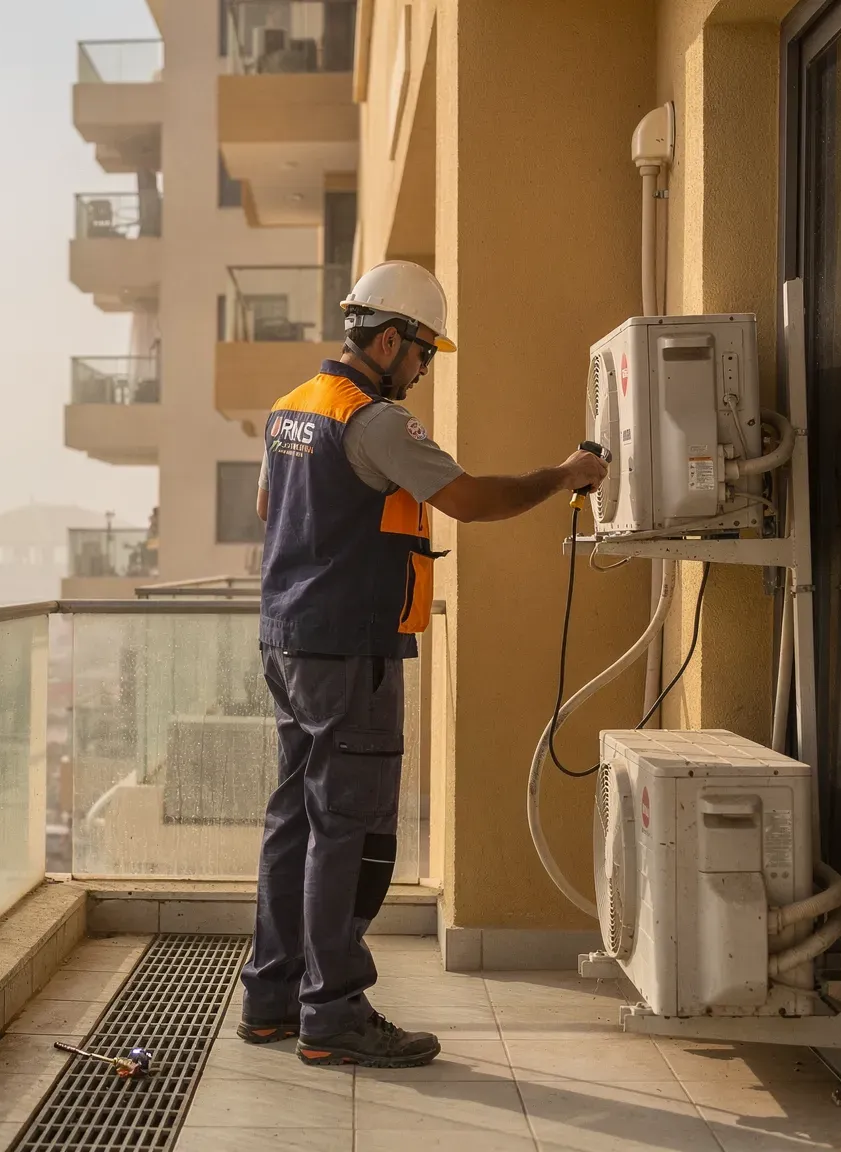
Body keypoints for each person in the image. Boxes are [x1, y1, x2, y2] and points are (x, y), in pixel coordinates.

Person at [240, 260, 608, 1068]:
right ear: (389, 339)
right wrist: (566, 475)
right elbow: (472, 500)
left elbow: (273, 509)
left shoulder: (290, 409)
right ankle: (332, 1011)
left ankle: (271, 996)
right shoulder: (373, 423)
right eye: (422, 351)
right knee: (344, 827)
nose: (424, 367)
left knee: (292, 819)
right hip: (350, 650)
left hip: (287, 639)